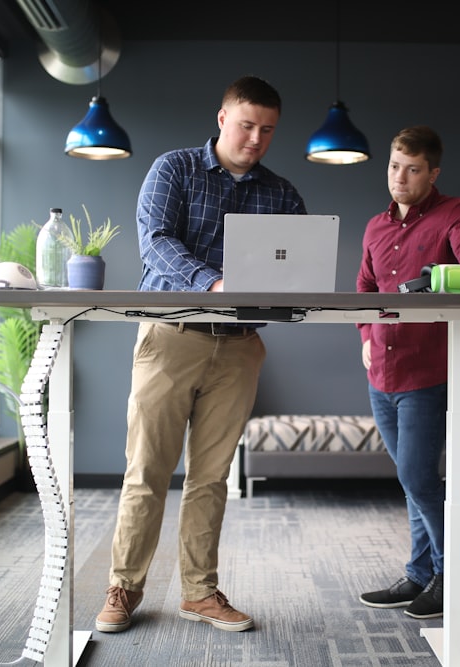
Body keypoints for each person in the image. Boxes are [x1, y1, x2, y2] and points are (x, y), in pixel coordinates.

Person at [96, 75, 306, 634]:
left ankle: (199, 592)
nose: (256, 138)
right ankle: (124, 588)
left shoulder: (282, 194)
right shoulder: (174, 169)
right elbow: (156, 241)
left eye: (267, 130)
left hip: (239, 349)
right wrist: (213, 283)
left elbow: (296, 268)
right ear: (221, 118)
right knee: (147, 471)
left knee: (211, 479)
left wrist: (293, 293)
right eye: (246, 125)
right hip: (170, 337)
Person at [355, 125, 460, 619]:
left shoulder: (459, 214)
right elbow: (365, 291)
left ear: (433, 173)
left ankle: (449, 578)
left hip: (429, 373)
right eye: (394, 166)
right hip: (382, 374)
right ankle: (419, 575)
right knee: (412, 480)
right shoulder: (375, 226)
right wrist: (367, 339)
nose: (400, 177)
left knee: (417, 476)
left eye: (413, 170)